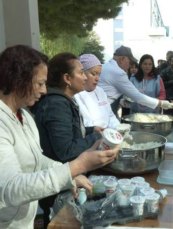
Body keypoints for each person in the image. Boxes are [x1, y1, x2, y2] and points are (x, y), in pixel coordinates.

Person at [0, 45, 119, 229]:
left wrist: (69, 176)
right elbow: (10, 189)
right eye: (39, 84)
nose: (44, 91)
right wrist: (78, 166)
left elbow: (38, 160)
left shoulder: (23, 116)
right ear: (18, 80)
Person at [33, 52, 103, 227]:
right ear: (67, 78)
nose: (86, 76)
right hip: (57, 188)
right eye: (81, 72)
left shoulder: (64, 100)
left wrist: (88, 130)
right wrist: (96, 137)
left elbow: (67, 133)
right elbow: (66, 150)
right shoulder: (57, 104)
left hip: (66, 181)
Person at [98, 45, 173, 117]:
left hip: (101, 108)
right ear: (122, 59)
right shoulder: (119, 73)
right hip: (106, 110)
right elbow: (138, 97)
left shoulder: (104, 67)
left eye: (150, 64)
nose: (130, 66)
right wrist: (163, 104)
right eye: (130, 62)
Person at [74, 54, 120, 129]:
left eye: (99, 75)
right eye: (94, 74)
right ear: (82, 73)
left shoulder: (100, 91)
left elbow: (110, 115)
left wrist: (118, 128)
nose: (97, 79)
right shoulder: (75, 95)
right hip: (90, 138)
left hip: (108, 135)